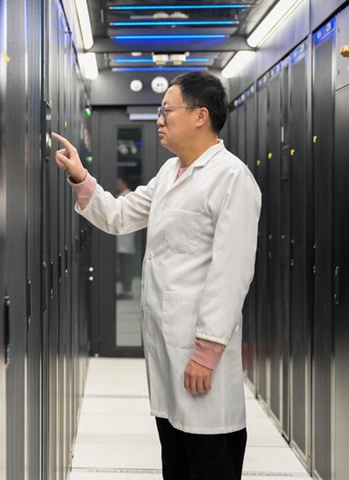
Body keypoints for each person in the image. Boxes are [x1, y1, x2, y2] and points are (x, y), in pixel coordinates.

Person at [52, 71, 261, 480]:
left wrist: (206, 350)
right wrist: (81, 176)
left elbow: (231, 271)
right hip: (168, 356)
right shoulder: (170, 173)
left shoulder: (232, 178)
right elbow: (119, 215)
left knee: (208, 457)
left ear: (201, 116)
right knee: (175, 459)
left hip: (202, 357)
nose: (159, 119)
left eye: (167, 110)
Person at [115, 178, 137, 299]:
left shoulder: (129, 196)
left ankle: (127, 290)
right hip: (122, 241)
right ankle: (125, 289)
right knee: (123, 266)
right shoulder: (121, 196)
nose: (117, 185)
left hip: (126, 242)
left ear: (125, 183)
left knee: (126, 266)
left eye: (119, 183)